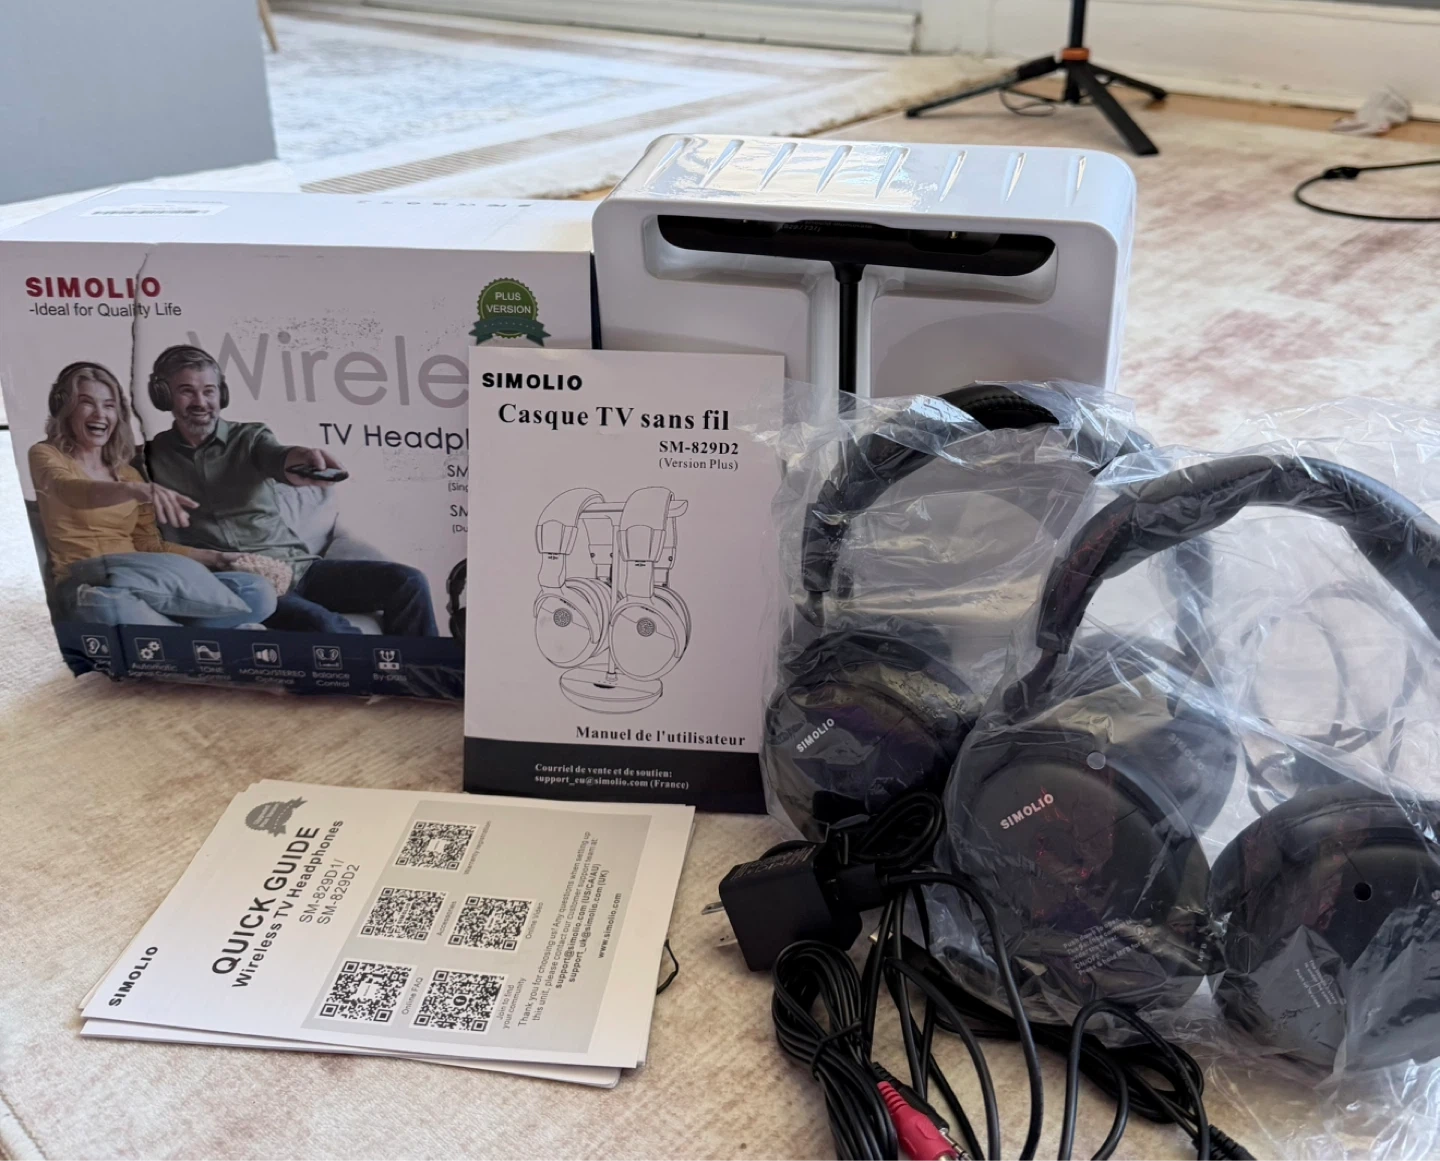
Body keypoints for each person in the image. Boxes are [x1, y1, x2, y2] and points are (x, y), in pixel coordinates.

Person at [143, 344, 437, 636]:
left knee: (408, 582)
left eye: (209, 391)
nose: (200, 402)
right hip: (245, 583)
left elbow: (278, 457)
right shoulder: (148, 459)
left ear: (222, 394)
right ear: (163, 395)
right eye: (186, 391)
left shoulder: (249, 437)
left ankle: (425, 668)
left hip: (298, 568)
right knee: (325, 627)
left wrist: (304, 459)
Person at [28, 361, 276, 627]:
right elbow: (68, 490)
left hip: (145, 577)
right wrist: (134, 491)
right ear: (64, 408)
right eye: (86, 403)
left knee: (257, 591)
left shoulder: (128, 474)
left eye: (109, 406)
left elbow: (149, 545)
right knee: (104, 603)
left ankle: (170, 637)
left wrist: (216, 557)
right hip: (86, 580)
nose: (100, 414)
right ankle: (199, 637)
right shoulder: (46, 455)